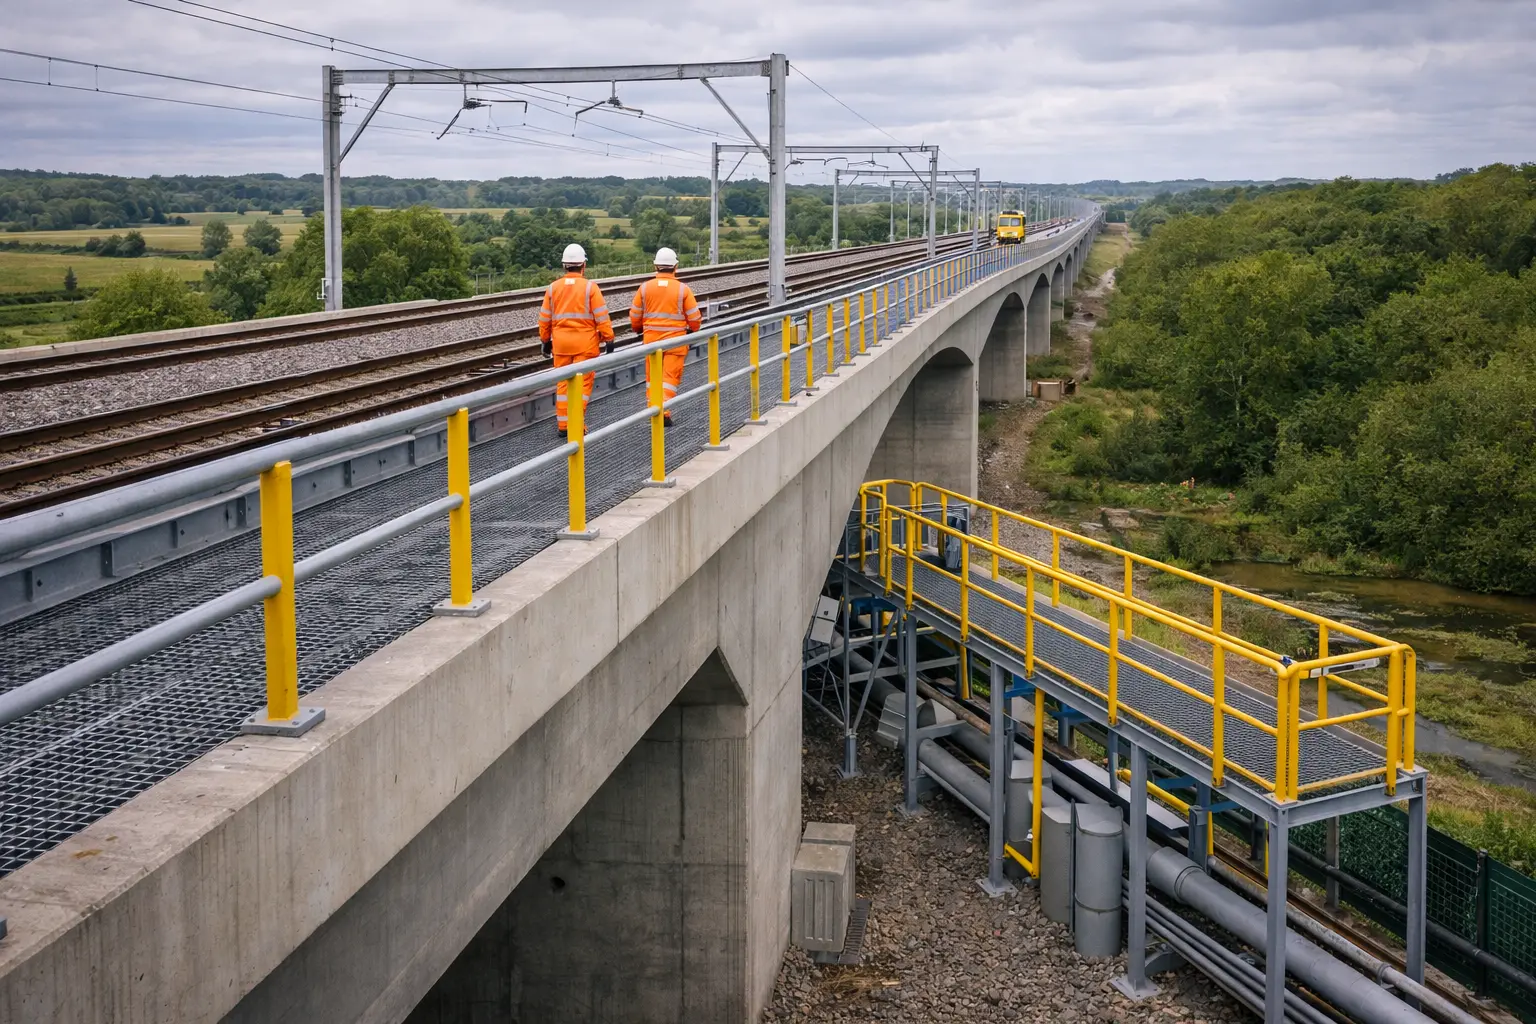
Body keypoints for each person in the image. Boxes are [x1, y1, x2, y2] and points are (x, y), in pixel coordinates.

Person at [539, 243, 614, 436]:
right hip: (585, 345)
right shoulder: (590, 288)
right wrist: (609, 338)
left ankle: (563, 426)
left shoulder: (553, 288)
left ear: (564, 266)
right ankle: (576, 425)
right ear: (583, 265)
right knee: (581, 385)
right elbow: (601, 317)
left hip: (561, 345)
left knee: (563, 384)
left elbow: (545, 318)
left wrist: (545, 340)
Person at [628, 246, 701, 426]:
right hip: (675, 343)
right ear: (675, 267)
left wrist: (638, 329)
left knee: (653, 380)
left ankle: (655, 411)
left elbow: (634, 316)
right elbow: (695, 318)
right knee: (668, 380)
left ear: (656, 267)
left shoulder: (645, 288)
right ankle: (663, 413)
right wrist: (691, 331)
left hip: (651, 343)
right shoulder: (683, 290)